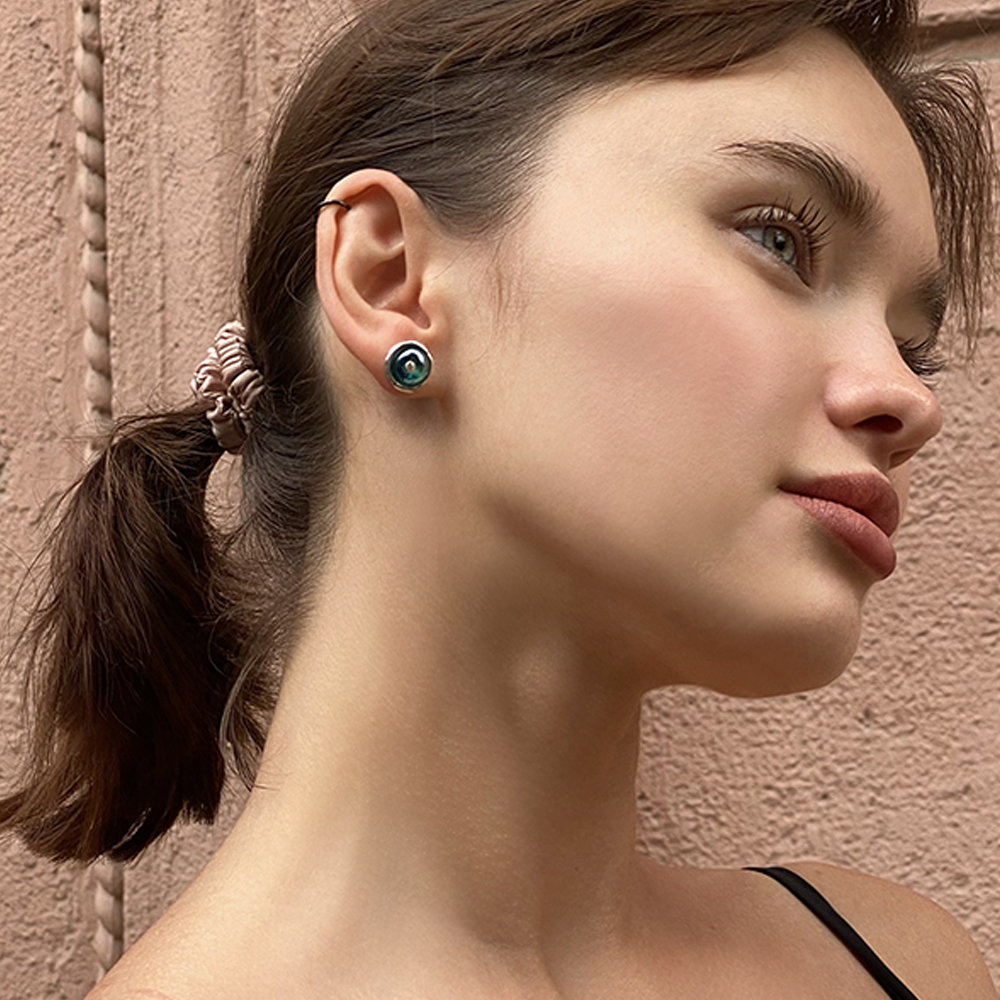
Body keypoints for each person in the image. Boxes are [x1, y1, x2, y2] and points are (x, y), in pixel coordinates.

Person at [1, 0, 997, 997]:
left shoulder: (905, 969)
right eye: (778, 240)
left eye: (910, 345)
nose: (908, 400)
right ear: (389, 279)